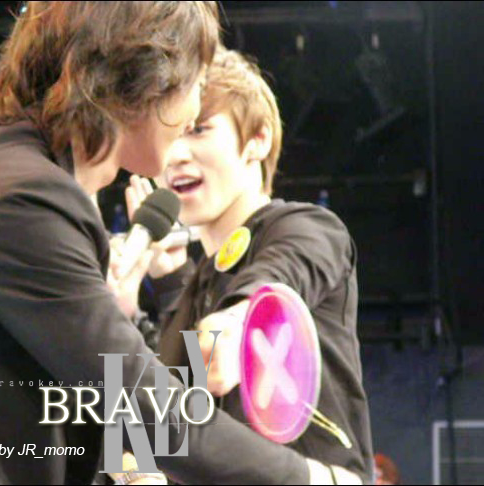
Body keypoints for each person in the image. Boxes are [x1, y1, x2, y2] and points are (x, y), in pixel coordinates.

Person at [0, 3, 330, 485]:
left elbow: (115, 405)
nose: (190, 116)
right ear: (145, 80)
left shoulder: (12, 179)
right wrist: (318, 479)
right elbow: (143, 403)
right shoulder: (21, 199)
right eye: (195, 87)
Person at [125, 47, 374, 483]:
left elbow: (281, 277)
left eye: (198, 130)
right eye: (169, 135)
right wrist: (122, 307)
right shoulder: (197, 286)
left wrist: (238, 320)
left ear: (257, 139)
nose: (176, 155)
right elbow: (151, 437)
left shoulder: (303, 226)